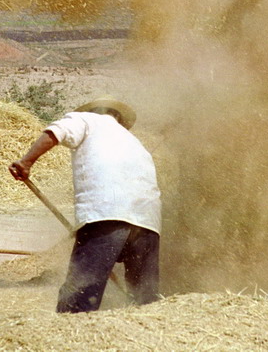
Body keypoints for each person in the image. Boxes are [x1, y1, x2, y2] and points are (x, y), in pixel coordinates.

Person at [9, 96, 162, 313]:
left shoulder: (85, 119)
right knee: (144, 300)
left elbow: (55, 132)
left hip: (107, 213)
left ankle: (69, 338)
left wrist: (26, 162)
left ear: (96, 111)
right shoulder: (134, 141)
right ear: (119, 118)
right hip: (148, 221)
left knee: (78, 297)